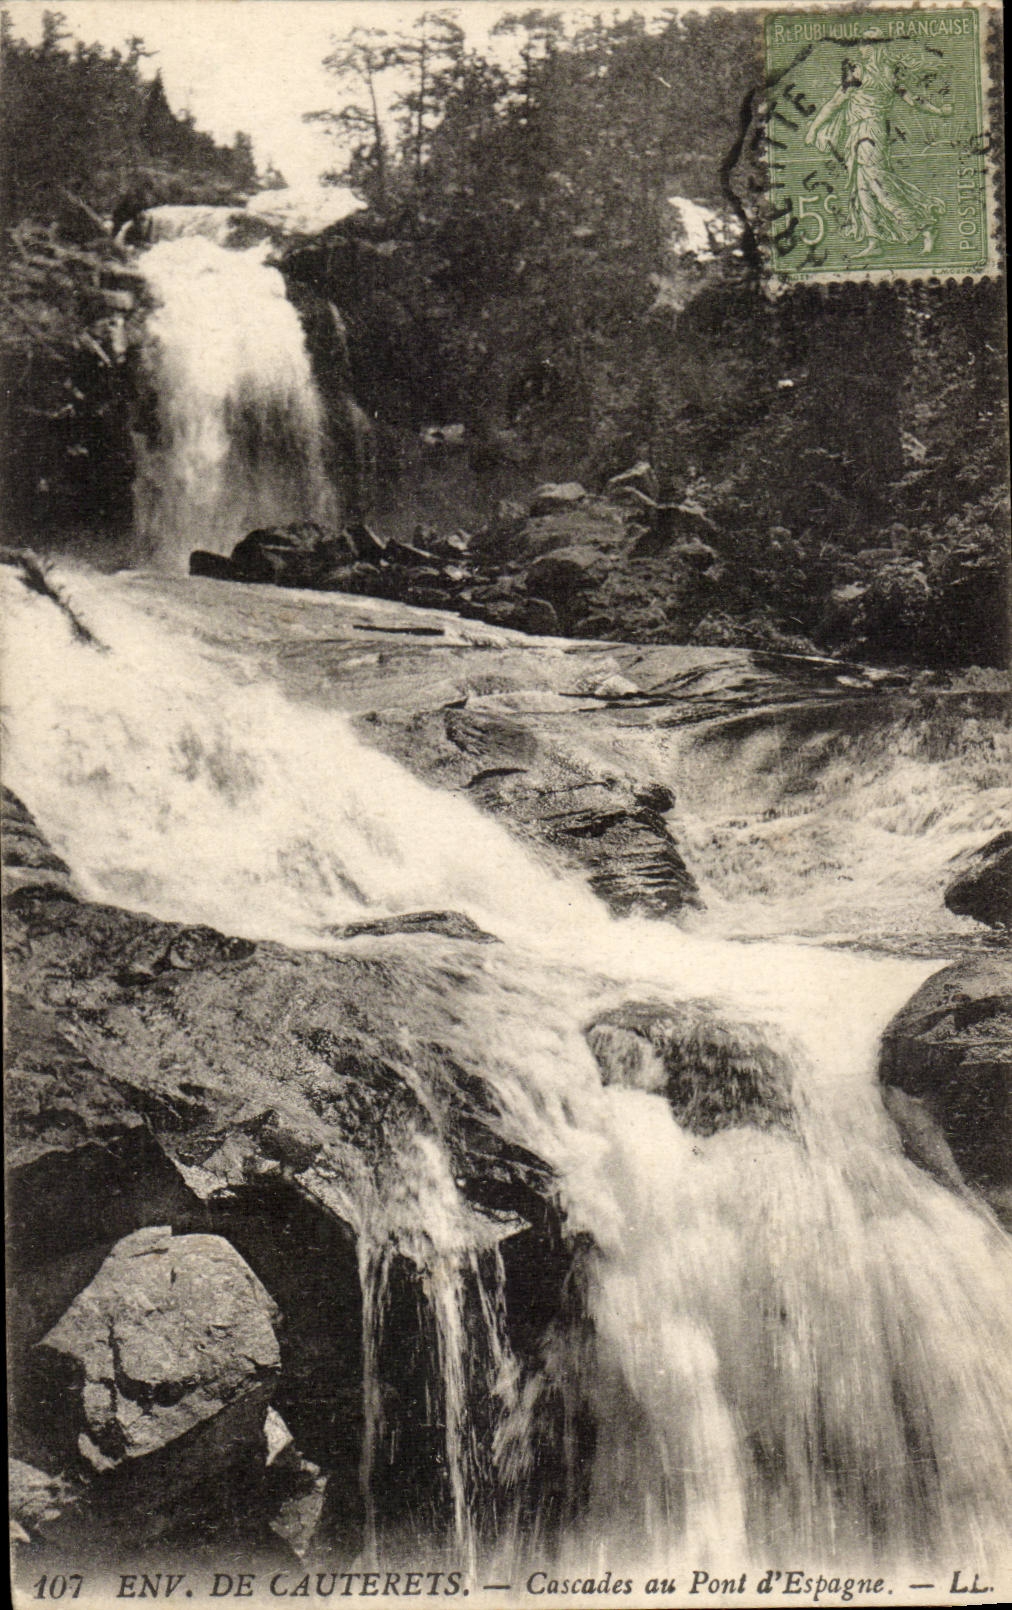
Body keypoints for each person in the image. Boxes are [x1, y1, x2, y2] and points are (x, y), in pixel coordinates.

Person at [805, 28, 953, 257]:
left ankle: (924, 225)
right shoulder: (890, 73)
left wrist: (814, 129)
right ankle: (874, 241)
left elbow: (835, 102)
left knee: (878, 181)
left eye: (864, 43)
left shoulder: (859, 71)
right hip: (863, 132)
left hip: (868, 132)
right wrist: (939, 111)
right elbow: (914, 100)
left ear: (873, 46)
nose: (861, 48)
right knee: (861, 185)